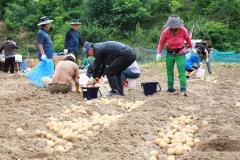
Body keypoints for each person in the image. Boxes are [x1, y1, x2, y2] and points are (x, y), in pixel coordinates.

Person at [156, 15, 193, 96]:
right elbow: (161, 43)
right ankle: (170, 88)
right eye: (172, 27)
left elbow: (188, 39)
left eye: (175, 27)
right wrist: (158, 53)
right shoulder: (165, 32)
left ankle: (183, 88)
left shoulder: (183, 30)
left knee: (181, 71)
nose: (173, 29)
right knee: (169, 72)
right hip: (170, 54)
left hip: (180, 53)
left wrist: (191, 47)